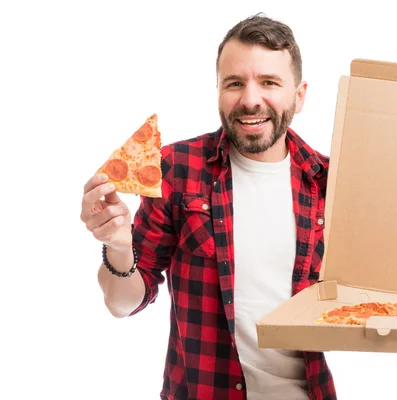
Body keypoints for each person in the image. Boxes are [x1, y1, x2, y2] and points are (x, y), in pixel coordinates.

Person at [80, 13, 337, 400]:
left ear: (299, 96)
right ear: (218, 90)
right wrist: (118, 245)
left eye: (269, 82)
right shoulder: (177, 170)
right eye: (235, 83)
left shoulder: (329, 183)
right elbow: (121, 302)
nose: (251, 100)